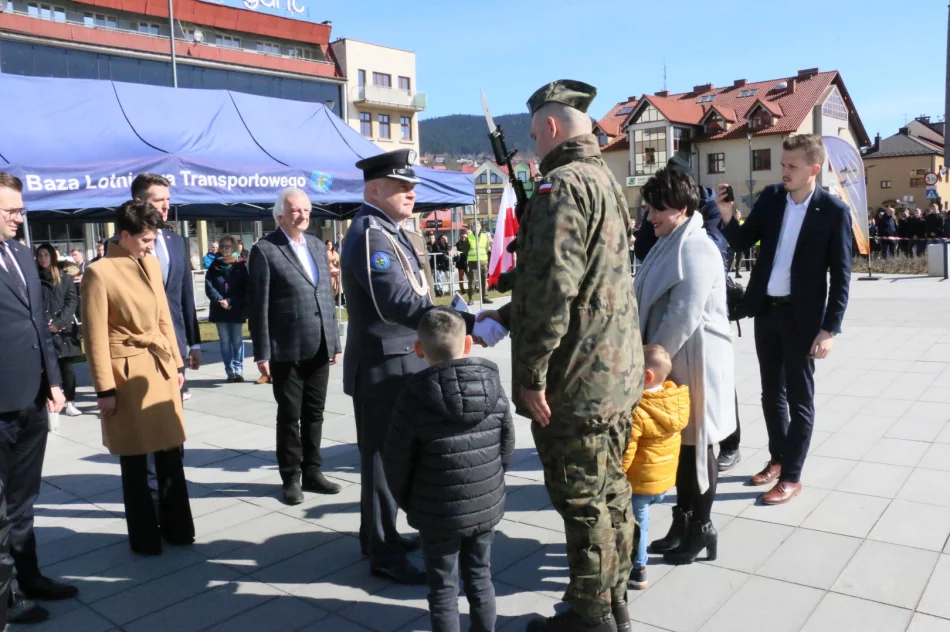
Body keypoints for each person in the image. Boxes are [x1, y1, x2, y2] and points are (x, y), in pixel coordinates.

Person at [478, 81, 641, 632]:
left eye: (532, 136)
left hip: (577, 379)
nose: (531, 148)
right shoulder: (604, 180)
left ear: (550, 128)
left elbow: (553, 292)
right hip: (615, 372)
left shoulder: (561, 188)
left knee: (582, 503)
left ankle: (589, 618)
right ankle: (612, 596)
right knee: (612, 490)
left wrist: (529, 376)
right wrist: (503, 315)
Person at [341, 149, 478, 586]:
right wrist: (455, 324)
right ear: (375, 190)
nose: (411, 193)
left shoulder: (390, 231)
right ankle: (382, 551)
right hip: (383, 364)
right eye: (402, 187)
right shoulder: (369, 233)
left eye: (411, 186)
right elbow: (393, 301)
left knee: (391, 455)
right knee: (382, 459)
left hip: (401, 359)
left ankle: (378, 535)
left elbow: (413, 294)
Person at [717, 134, 851, 505]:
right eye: (782, 164)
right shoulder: (773, 198)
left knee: (799, 398)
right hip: (767, 311)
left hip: (803, 318)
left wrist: (829, 328)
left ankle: (792, 476)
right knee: (770, 393)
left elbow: (841, 277)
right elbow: (743, 242)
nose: (784, 171)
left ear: (814, 168)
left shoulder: (834, 212)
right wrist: (728, 215)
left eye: (792, 166)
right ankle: (778, 458)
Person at [383, 308, 514, 632]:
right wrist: (491, 485)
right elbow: (506, 448)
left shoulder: (412, 398)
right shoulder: (494, 388)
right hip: (484, 504)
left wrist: (411, 503)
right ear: (468, 344)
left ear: (418, 349)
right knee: (480, 578)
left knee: (442, 589)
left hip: (435, 511)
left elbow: (396, 462)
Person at [633, 167, 736, 566]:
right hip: (673, 360)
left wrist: (652, 365)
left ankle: (702, 527)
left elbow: (683, 314)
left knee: (698, 447)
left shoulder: (696, 247)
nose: (650, 216)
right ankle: (683, 521)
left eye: (657, 208)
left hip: (694, 362)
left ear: (682, 208)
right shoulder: (669, 239)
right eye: (648, 208)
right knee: (681, 448)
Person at [82, 200, 194, 555]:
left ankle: (177, 527)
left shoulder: (151, 261)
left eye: (153, 238)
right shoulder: (99, 272)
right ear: (125, 235)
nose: (150, 245)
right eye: (145, 239)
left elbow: (164, 318)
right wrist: (105, 389)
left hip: (158, 368)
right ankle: (145, 537)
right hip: (126, 374)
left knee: (170, 453)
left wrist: (176, 365)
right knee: (135, 459)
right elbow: (94, 337)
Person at [0, 173, 76, 624]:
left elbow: (36, 321)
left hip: (31, 398)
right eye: (10, 210)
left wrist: (53, 380)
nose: (19, 217)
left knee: (23, 501)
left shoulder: (23, 254)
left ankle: (29, 578)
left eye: (19, 209)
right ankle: (5, 598)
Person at [248, 188, 342, 505]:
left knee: (315, 413)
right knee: (290, 415)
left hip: (319, 344)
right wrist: (262, 351)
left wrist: (335, 340)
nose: (302, 215)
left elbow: (327, 298)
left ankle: (313, 471)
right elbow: (258, 305)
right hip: (285, 347)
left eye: (306, 209)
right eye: (294, 210)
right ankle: (291, 477)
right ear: (279, 216)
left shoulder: (316, 246)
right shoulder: (265, 250)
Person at [622, 345, 689, 590]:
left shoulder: (639, 409)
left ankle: (638, 569)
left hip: (640, 481)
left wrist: (617, 473)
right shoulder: (676, 401)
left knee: (637, 526)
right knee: (643, 521)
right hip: (663, 481)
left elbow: (628, 450)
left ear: (647, 376)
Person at [131, 174, 201, 402]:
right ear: (139, 202)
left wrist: (194, 342)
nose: (165, 206)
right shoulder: (121, 246)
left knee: (175, 417)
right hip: (140, 347)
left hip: (175, 343)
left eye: (168, 199)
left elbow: (185, 296)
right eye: (158, 200)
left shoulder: (176, 241)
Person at [35, 244, 83, 418]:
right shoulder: (34, 279)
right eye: (40, 255)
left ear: (52, 257)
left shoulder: (65, 278)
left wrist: (59, 321)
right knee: (48, 367)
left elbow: (72, 302)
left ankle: (70, 401)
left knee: (67, 367)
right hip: (44, 328)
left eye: (46, 255)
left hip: (64, 329)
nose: (43, 258)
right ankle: (52, 399)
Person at [205, 235, 249, 383]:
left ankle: (238, 369)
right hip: (219, 309)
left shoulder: (241, 265)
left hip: (236, 308)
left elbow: (244, 288)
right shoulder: (214, 265)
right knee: (224, 341)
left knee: (237, 340)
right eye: (222, 246)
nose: (225, 249)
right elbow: (209, 285)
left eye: (228, 246)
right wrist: (220, 300)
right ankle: (229, 370)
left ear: (234, 248)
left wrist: (230, 301)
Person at [466, 223, 492, 304]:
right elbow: (465, 249)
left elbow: (487, 248)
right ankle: (471, 298)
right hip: (473, 261)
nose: (476, 228)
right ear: (472, 227)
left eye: (478, 226)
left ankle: (485, 297)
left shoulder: (484, 236)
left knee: (484, 279)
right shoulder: (469, 237)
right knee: (472, 280)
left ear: (480, 227)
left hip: (483, 260)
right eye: (475, 226)